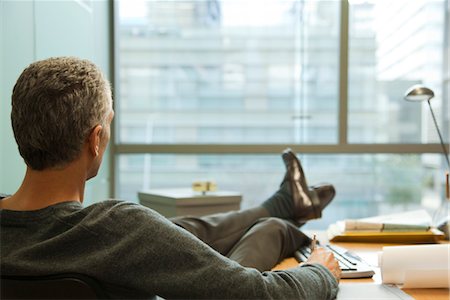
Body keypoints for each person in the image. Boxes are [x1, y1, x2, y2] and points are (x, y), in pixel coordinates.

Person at [0, 57, 341, 299]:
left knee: (178, 232)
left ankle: (282, 206)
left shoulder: (114, 232)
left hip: (127, 241)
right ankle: (282, 214)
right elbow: (260, 295)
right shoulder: (117, 229)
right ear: (95, 138)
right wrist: (321, 271)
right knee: (273, 231)